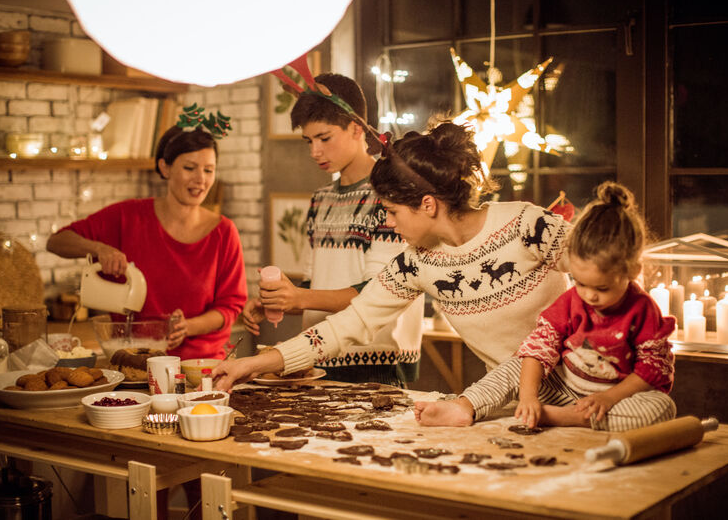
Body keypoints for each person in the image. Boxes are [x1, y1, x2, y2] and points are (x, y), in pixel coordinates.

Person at [213, 122, 571, 391]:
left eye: (393, 211)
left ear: (427, 205)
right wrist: (255, 365)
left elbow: (613, 271)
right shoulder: (415, 262)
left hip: (598, 392)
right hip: (511, 400)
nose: (387, 221)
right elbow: (347, 326)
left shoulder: (527, 223)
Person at [415, 182, 677, 432]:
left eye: (602, 288)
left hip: (616, 399)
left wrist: (608, 399)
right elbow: (539, 349)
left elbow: (652, 369)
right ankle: (465, 406)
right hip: (561, 389)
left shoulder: (643, 310)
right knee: (516, 364)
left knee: (661, 408)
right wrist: (529, 397)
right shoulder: (572, 301)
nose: (589, 296)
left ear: (632, 270)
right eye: (581, 283)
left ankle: (565, 418)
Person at [242, 73, 424, 386]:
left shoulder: (391, 196)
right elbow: (314, 285)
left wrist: (298, 298)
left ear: (357, 128)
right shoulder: (322, 198)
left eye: (324, 138)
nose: (315, 151)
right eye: (309, 141)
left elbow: (379, 292)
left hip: (376, 362)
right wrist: (282, 300)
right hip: (316, 356)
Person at [47, 125, 248, 362]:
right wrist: (99, 249)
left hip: (201, 368)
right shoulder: (127, 217)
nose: (201, 179)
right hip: (132, 364)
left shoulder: (224, 232)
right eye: (189, 168)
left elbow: (230, 307)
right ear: (165, 167)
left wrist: (189, 327)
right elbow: (57, 241)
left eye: (209, 170)